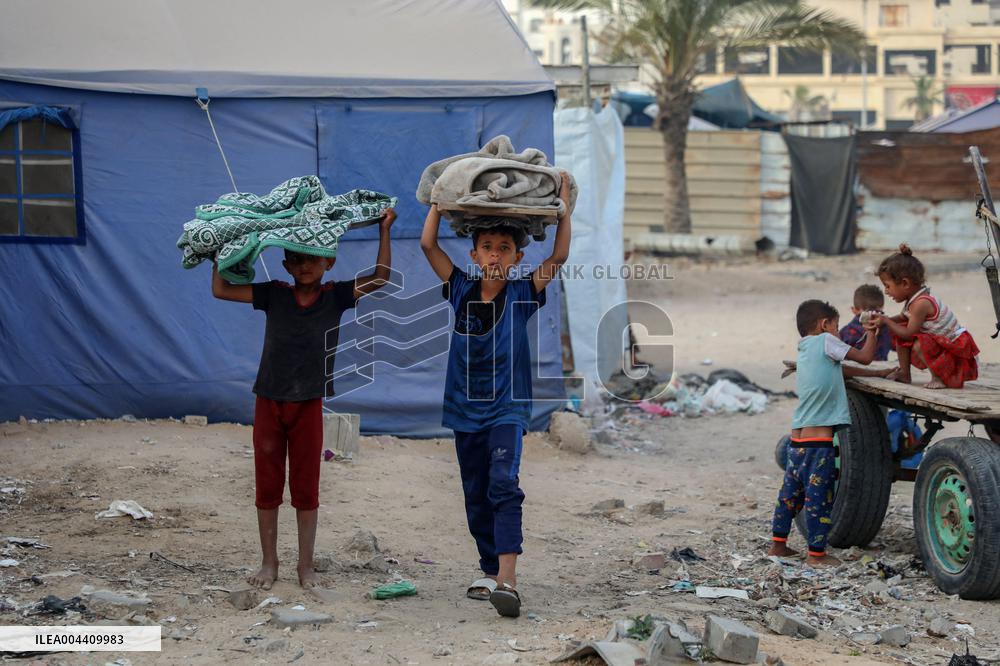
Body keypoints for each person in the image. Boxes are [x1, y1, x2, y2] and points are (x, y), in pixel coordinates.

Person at [211, 209, 396, 590]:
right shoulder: (274, 294)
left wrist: (385, 230)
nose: (304, 265)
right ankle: (269, 562)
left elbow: (380, 277)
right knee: (267, 485)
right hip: (269, 400)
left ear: (329, 262)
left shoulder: (336, 296)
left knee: (306, 487)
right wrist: (220, 245)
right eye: (295, 258)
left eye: (313, 257)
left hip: (309, 402)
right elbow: (221, 290)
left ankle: (305, 566)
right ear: (285, 265)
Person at [419, 173, 572, 618]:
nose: (494, 255)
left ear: (517, 258)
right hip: (464, 409)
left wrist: (563, 208)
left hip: (507, 409)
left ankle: (508, 581)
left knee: (503, 484)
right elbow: (429, 244)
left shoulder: (523, 293)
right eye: (487, 247)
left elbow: (559, 256)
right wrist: (440, 199)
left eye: (504, 249)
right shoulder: (460, 288)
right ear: (474, 255)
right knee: (475, 492)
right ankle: (488, 568)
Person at [769, 299, 884, 567]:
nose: (838, 332)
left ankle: (778, 545)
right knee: (818, 498)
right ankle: (816, 555)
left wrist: (883, 372)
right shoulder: (826, 341)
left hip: (797, 439)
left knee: (790, 495)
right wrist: (871, 332)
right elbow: (865, 357)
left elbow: (840, 369)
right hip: (818, 442)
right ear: (824, 325)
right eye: (836, 326)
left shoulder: (805, 348)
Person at [872, 244, 979, 389]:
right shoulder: (913, 299)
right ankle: (904, 374)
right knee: (900, 332)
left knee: (918, 342)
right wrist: (885, 320)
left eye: (887, 286)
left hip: (955, 351)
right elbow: (904, 318)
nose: (886, 291)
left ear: (905, 283)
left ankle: (938, 378)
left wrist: (886, 321)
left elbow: (909, 334)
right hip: (942, 346)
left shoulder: (920, 303)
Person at [839, 284, 892, 361]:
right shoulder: (887, 327)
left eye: (877, 312)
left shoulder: (846, 331)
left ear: (854, 310)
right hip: (878, 365)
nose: (872, 317)